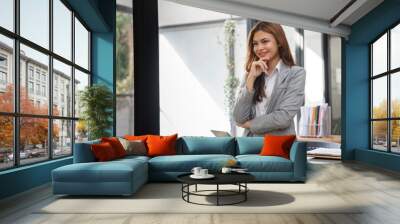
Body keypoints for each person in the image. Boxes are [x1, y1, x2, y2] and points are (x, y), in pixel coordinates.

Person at [233, 21, 306, 136]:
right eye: (255, 44)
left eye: (265, 41)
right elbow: (239, 117)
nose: (259, 48)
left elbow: (283, 117)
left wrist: (250, 125)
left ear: (279, 42)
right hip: (249, 145)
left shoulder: (296, 74)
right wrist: (251, 78)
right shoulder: (250, 75)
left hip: (277, 146)